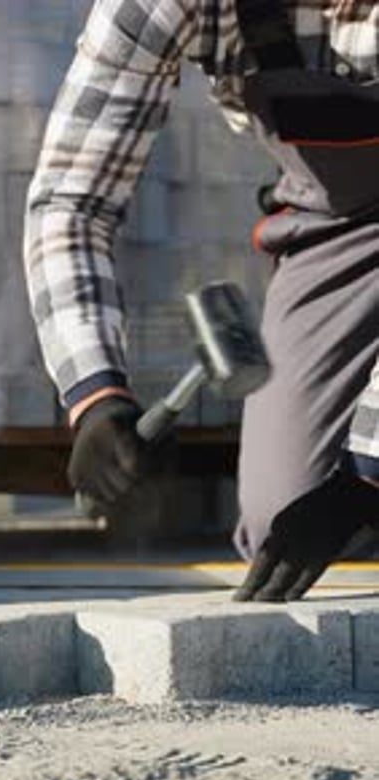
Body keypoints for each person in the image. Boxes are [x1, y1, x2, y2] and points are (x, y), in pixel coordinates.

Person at [23, 0, 379, 602]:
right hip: (338, 228)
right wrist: (94, 393)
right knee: (284, 520)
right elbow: (71, 203)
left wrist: (368, 468)